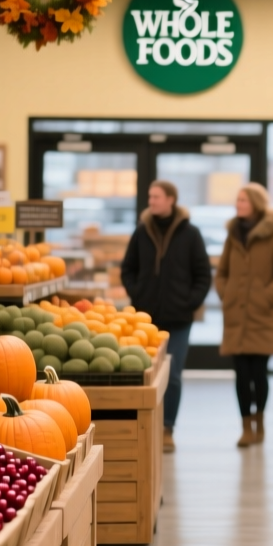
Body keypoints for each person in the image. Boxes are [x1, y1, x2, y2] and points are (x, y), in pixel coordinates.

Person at [120, 179, 211, 455]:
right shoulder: (141, 232)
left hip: (179, 319)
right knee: (143, 374)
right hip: (145, 320)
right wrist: (137, 294)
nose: (151, 201)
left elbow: (203, 274)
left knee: (172, 375)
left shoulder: (190, 233)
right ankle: (146, 428)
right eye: (150, 196)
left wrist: (189, 302)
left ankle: (167, 428)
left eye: (156, 196)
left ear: (171, 199)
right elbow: (127, 269)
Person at [216, 182, 273, 448]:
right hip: (236, 317)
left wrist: (264, 298)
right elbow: (222, 272)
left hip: (263, 318)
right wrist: (226, 293)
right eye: (237, 200)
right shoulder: (233, 235)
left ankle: (259, 420)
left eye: (243, 200)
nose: (238, 204)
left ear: (256, 204)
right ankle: (245, 427)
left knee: (259, 374)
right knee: (240, 375)